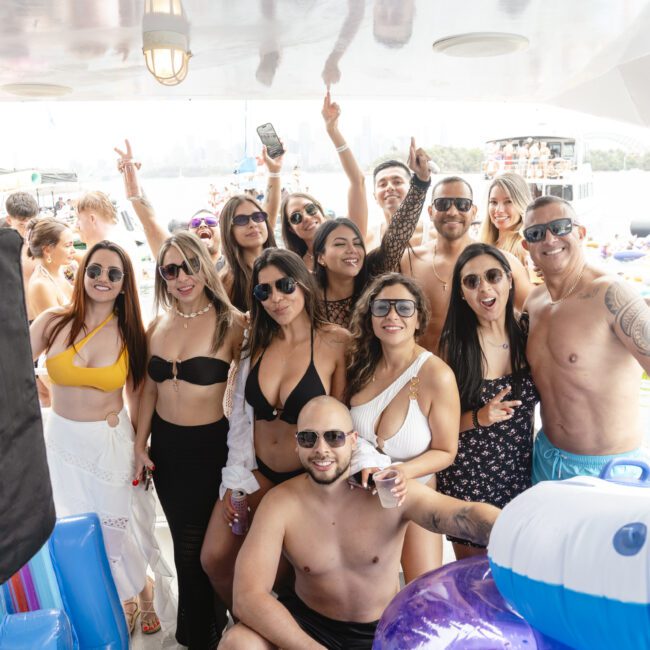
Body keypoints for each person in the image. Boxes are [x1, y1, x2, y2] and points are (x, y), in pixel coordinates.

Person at [219, 396, 500, 650]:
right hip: (309, 627)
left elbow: (461, 516)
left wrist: (514, 524)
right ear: (296, 444)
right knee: (238, 643)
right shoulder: (280, 503)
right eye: (308, 438)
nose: (321, 449)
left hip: (380, 631)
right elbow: (247, 597)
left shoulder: (387, 491)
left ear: (353, 440)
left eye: (334, 437)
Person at [29, 240, 171, 637]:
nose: (102, 279)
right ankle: (109, 601)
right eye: (95, 270)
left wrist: (141, 447)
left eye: (113, 273)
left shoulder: (130, 332)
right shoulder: (53, 322)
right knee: (73, 530)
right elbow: (14, 362)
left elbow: (140, 394)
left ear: (125, 283)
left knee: (116, 529)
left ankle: (139, 594)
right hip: (60, 444)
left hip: (110, 444)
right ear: (82, 274)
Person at [200, 248, 349, 615]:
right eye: (263, 291)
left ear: (304, 284)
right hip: (256, 474)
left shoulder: (336, 342)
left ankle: (279, 629)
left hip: (307, 477)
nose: (276, 298)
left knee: (282, 573)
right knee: (214, 558)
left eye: (284, 286)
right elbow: (240, 416)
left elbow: (346, 419)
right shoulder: (255, 343)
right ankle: (244, 624)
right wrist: (238, 476)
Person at [135, 231, 244, 648]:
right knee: (184, 545)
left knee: (206, 550)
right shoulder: (156, 326)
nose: (182, 277)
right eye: (171, 269)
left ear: (204, 265)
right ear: (162, 276)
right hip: (167, 451)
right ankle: (203, 634)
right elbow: (148, 389)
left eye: (190, 265)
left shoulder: (233, 323)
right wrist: (138, 445)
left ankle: (209, 630)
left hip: (211, 450)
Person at [522, 196, 650, 482]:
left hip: (610, 469)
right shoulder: (534, 303)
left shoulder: (611, 294)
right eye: (536, 233)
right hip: (546, 459)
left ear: (580, 233)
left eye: (560, 226)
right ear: (526, 245)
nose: (550, 238)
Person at [346, 273, 460, 580]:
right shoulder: (359, 366)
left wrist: (403, 473)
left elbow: (446, 451)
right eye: (382, 307)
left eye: (404, 308)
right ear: (369, 316)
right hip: (361, 500)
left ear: (419, 317)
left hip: (415, 496)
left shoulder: (437, 375)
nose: (392, 315)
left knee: (423, 594)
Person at [437, 243, 538, 559]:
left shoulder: (529, 331)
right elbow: (439, 429)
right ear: (461, 294)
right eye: (471, 281)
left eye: (492, 276)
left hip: (521, 474)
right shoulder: (454, 347)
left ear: (509, 280)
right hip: (469, 479)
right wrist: (481, 415)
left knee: (516, 574)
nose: (484, 288)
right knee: (473, 582)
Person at [402, 176, 532, 354]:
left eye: (462, 204)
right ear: (431, 211)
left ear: (474, 211)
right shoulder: (408, 260)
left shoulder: (503, 262)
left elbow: (537, 314)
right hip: (422, 373)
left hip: (479, 375)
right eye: (443, 204)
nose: (452, 212)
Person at [312, 137, 431, 328]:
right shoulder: (307, 293)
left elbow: (396, 236)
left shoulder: (372, 275)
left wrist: (421, 183)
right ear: (320, 257)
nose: (352, 250)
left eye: (357, 243)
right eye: (340, 244)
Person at [219, 195, 278, 312]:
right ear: (229, 230)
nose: (253, 224)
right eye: (241, 220)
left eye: (258, 216)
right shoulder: (227, 281)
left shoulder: (286, 263)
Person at [479, 172, 531, 267]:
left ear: (522, 204)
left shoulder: (526, 250)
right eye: (493, 202)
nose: (499, 210)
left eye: (508, 202)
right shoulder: (483, 244)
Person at [26, 217, 75, 316]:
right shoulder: (41, 285)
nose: (73, 250)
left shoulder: (60, 269)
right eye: (67, 245)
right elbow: (56, 329)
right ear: (47, 250)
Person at [5, 191, 40, 318]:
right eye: (21, 224)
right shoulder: (5, 248)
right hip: (16, 319)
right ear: (9, 220)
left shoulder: (44, 242)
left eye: (31, 223)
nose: (27, 229)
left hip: (40, 316)